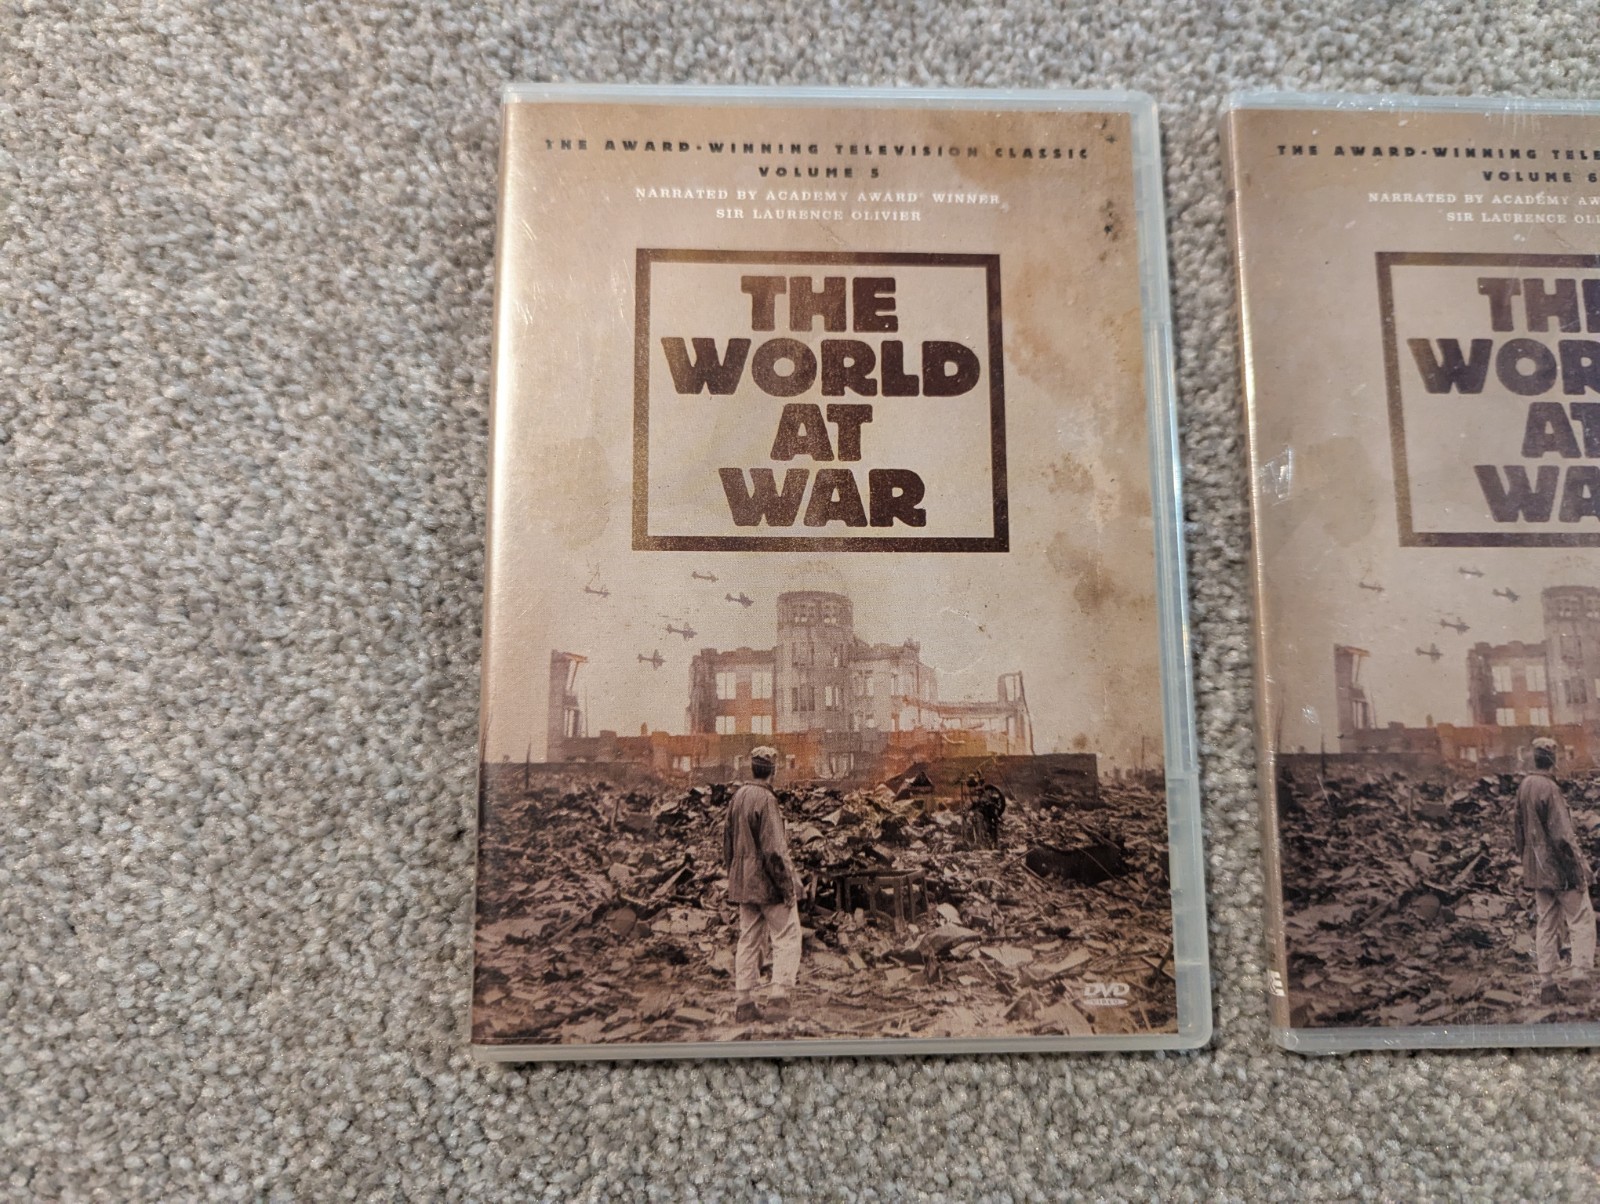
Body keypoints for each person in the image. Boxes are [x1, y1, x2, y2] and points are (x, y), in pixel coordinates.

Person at [1513, 736, 1596, 1003]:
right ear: (1553, 759)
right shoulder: (1550, 788)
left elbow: (1518, 832)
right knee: (1581, 918)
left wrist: (1528, 863)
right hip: (1561, 870)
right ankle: (1580, 979)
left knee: (1546, 922)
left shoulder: (1524, 786)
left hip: (1537, 871)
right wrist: (1581, 865)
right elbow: (1563, 836)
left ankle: (1547, 984)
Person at [722, 746, 800, 1023]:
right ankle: (779, 997)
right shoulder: (766, 800)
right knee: (787, 935)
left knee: (748, 938)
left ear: (753, 769)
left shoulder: (738, 797)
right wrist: (787, 887)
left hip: (744, 884)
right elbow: (774, 851)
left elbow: (727, 844)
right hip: (767, 884)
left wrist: (735, 876)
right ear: (773, 771)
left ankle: (744, 1002)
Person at [967, 772, 1006, 848]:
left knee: (991, 826)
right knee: (986, 825)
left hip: (987, 812)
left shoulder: (984, 794)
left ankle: (993, 843)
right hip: (984, 813)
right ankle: (987, 843)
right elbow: (974, 803)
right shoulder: (980, 794)